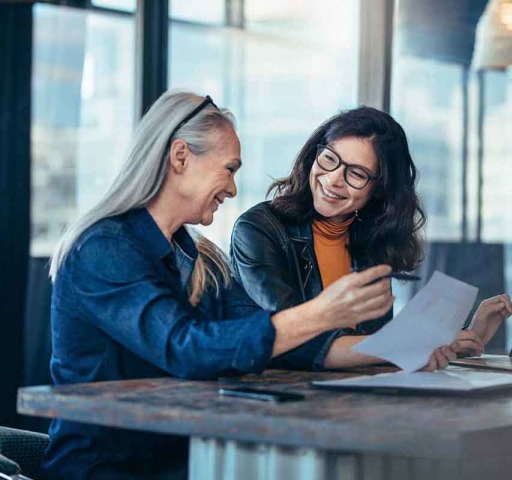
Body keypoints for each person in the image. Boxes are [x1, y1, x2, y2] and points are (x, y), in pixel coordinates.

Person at [42, 92, 406, 479]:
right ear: (180, 157)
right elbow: (186, 348)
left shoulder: (204, 260)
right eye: (229, 169)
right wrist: (321, 312)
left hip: (186, 460)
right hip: (106, 470)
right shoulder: (103, 249)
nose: (233, 189)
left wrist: (407, 349)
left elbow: (277, 345)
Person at [230, 106, 512, 371]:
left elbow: (374, 347)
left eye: (356, 173)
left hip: (351, 398)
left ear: (379, 189)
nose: (333, 179)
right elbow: (293, 335)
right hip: (278, 399)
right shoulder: (259, 228)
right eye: (329, 158)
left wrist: (461, 339)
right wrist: (409, 346)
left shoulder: (371, 240)